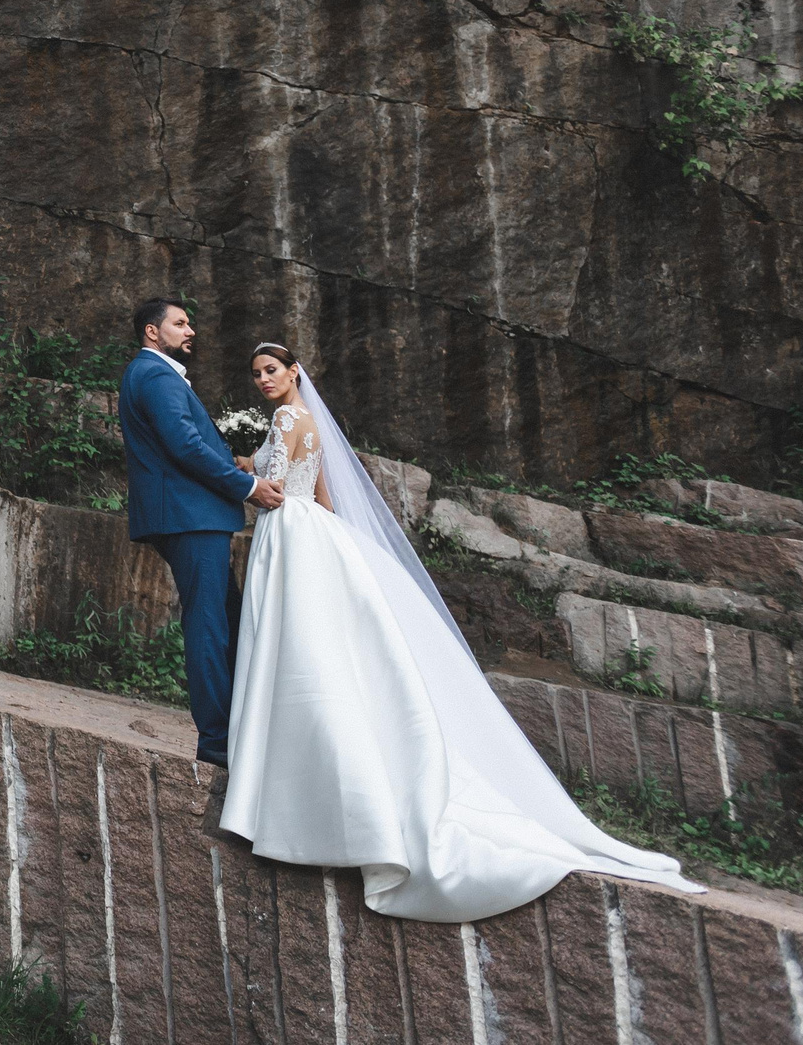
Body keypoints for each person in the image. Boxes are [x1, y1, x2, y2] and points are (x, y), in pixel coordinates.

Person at [220, 341, 699, 921]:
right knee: (321, 646)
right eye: (257, 373)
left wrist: (247, 473)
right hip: (316, 528)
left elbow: (276, 488)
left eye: (272, 370)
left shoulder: (286, 419)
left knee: (297, 648)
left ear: (295, 372)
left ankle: (290, 782)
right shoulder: (311, 420)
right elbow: (323, 491)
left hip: (290, 530)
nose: (264, 379)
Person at [118, 298, 282, 771]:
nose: (191, 331)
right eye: (180, 323)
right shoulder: (154, 374)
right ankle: (218, 743)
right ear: (153, 332)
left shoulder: (157, 375)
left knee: (228, 619)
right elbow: (184, 445)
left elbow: (186, 444)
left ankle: (239, 728)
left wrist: (234, 464)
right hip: (189, 517)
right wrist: (248, 487)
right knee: (209, 625)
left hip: (192, 515)